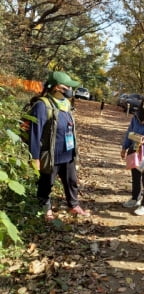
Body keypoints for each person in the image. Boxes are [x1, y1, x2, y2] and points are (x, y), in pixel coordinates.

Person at [29, 71, 90, 221]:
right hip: (51, 154)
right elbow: (35, 134)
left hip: (68, 153)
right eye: (67, 86)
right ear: (56, 87)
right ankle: (45, 208)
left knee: (71, 181)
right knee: (46, 183)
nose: (70, 89)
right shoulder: (42, 105)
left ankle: (74, 205)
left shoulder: (66, 103)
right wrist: (35, 157)